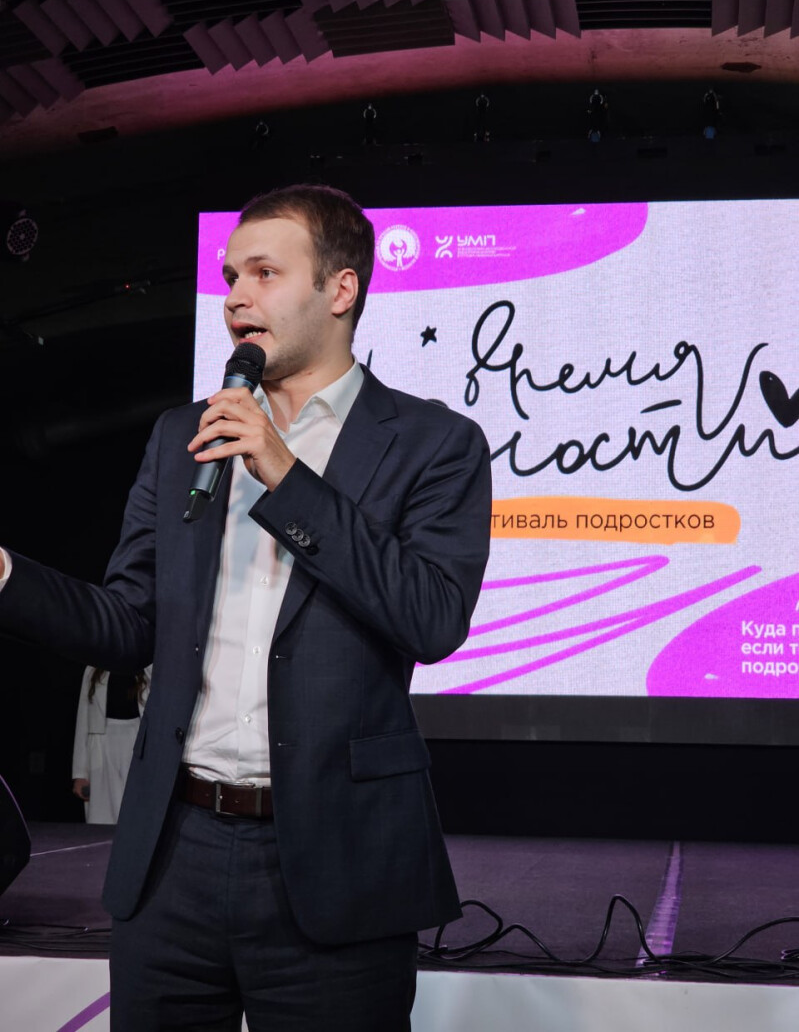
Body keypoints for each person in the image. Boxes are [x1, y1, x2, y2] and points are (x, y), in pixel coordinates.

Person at [0, 184, 492, 1031]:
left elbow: (431, 617)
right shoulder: (182, 435)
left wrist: (285, 476)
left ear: (340, 289)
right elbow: (127, 624)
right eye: (230, 276)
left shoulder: (433, 444)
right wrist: (6, 575)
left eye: (265, 273)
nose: (234, 297)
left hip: (336, 861)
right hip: (173, 858)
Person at [72, 664, 150, 824]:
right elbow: (82, 720)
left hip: (134, 739)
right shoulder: (93, 669)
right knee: (102, 812)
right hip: (102, 742)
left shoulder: (144, 668)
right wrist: (80, 774)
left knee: (133, 810)